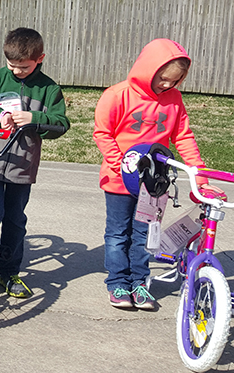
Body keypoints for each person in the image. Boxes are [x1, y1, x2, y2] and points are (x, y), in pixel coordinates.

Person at [93, 38, 222, 310]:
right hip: (119, 181)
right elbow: (103, 134)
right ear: (148, 68)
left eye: (174, 81)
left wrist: (200, 178)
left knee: (145, 235)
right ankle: (117, 282)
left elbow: (184, 137)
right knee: (118, 233)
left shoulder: (174, 100)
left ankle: (140, 283)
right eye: (163, 78)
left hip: (154, 184)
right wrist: (124, 166)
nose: (167, 85)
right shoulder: (117, 95)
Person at [0, 27, 69, 300]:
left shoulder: (49, 89)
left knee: (15, 220)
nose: (17, 71)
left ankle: (8, 272)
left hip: (22, 166)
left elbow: (60, 124)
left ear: (40, 58)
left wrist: (34, 119)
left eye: (23, 67)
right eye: (12, 65)